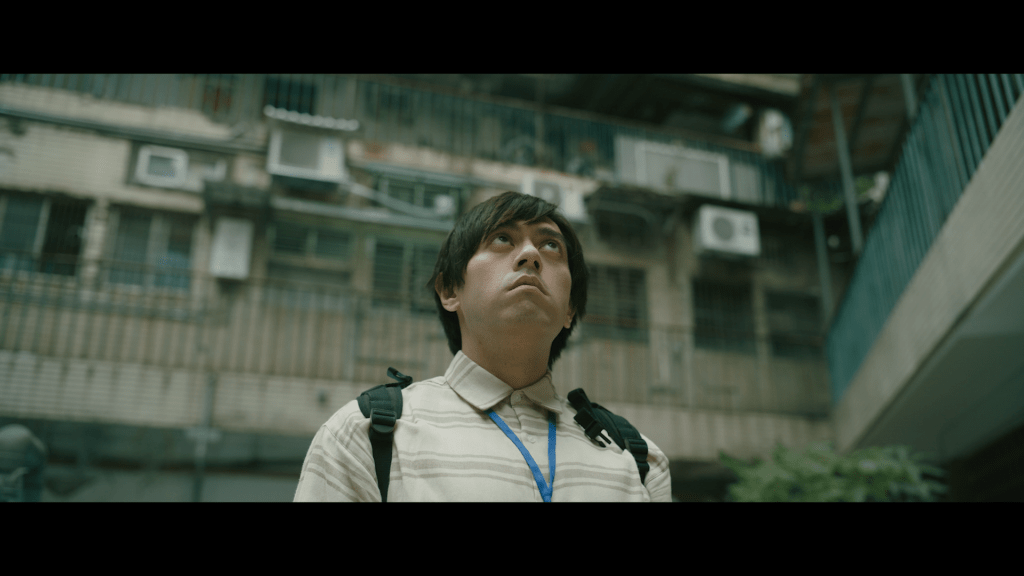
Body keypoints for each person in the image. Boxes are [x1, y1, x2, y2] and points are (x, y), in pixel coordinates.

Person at [293, 191, 671, 501]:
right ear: (449, 290)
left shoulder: (637, 460)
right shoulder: (366, 435)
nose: (531, 255)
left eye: (551, 245)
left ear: (570, 309)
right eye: (502, 239)